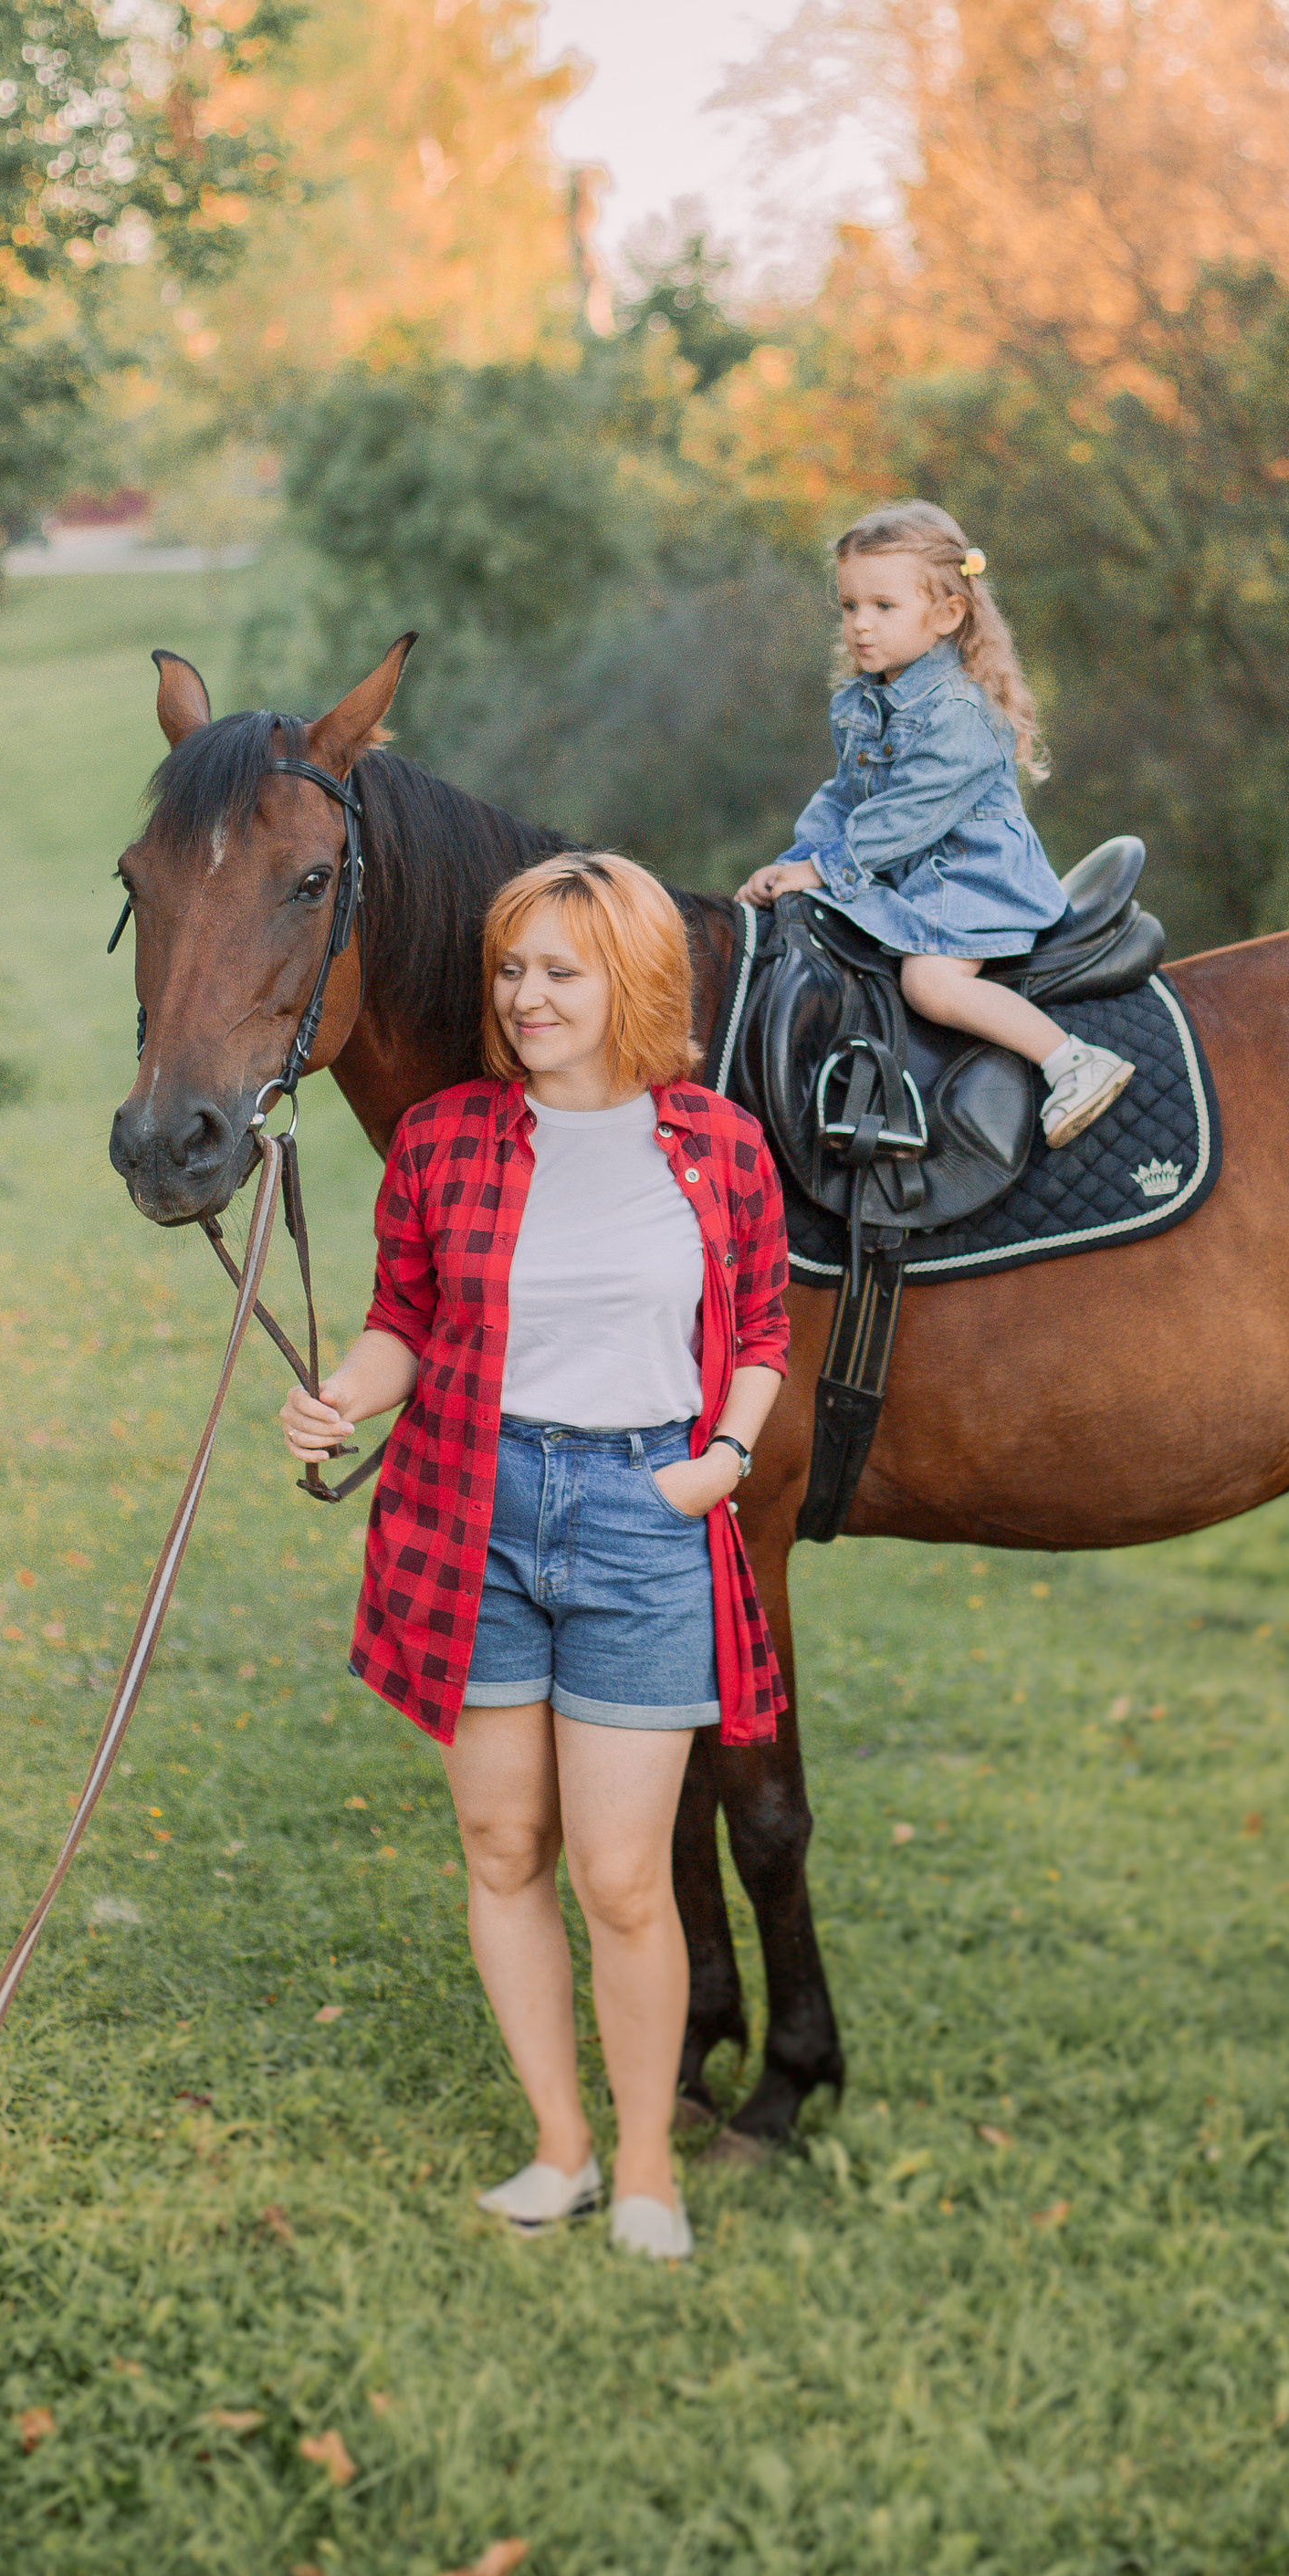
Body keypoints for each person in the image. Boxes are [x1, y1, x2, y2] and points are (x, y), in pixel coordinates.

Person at [279, 850, 790, 2267]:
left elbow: (758, 1333)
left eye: (561, 969)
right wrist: (343, 1392)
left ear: (631, 980)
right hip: (471, 1510)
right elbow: (407, 1321)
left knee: (623, 1876)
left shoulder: (715, 1145)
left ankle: (644, 2165)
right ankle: (560, 2145)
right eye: (513, 968)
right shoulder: (443, 1140)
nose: (526, 995)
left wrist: (724, 1464)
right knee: (504, 1848)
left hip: (646, 1518)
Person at [738, 497, 1135, 1149]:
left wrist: (824, 868)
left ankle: (1070, 1059)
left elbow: (908, 815)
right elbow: (844, 797)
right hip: (904, 870)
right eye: (849, 606)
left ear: (948, 613)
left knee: (928, 982)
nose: (860, 625)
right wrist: (797, 860)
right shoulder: (863, 701)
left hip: (971, 878)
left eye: (883, 607)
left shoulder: (959, 712)